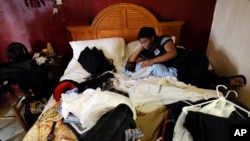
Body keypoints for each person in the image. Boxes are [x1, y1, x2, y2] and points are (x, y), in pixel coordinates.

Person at [127, 27, 247, 89]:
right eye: (141, 42)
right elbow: (130, 66)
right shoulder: (146, 52)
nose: (143, 44)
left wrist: (151, 61)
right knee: (186, 80)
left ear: (152, 38)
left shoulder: (162, 39)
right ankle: (215, 87)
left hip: (190, 57)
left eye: (145, 41)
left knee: (199, 74)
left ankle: (227, 81)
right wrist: (138, 48)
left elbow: (172, 53)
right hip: (180, 67)